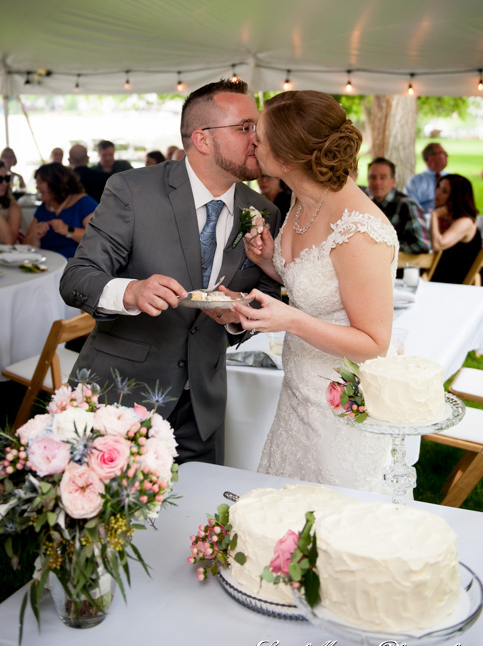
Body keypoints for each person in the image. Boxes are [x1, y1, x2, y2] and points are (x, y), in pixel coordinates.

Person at [59, 79, 281, 465]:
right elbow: (77, 276)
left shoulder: (263, 211)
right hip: (121, 396)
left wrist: (237, 318)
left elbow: (267, 296)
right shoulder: (132, 190)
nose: (257, 139)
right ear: (203, 139)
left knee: (197, 518)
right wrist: (129, 292)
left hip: (203, 407)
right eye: (245, 127)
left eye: (256, 128)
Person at [237, 90, 398, 492]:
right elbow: (315, 281)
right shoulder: (302, 198)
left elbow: (374, 343)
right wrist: (267, 261)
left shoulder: (359, 231)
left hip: (340, 406)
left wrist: (288, 319)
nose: (252, 138)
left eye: (261, 134)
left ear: (289, 159)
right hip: (298, 390)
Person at [23, 163, 98, 259]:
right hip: (47, 264)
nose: (37, 187)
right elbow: (25, 245)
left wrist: (68, 230)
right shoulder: (43, 208)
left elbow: (97, 239)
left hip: (75, 266)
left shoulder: (84, 203)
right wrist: (35, 237)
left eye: (40, 182)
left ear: (55, 183)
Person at [367, 157, 430, 253]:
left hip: (402, 266)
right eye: (373, 177)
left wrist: (384, 248)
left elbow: (422, 244)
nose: (377, 182)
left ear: (393, 181)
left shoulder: (407, 205)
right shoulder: (368, 205)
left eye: (382, 178)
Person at [430, 174, 481, 283]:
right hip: (438, 273)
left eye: (444, 191)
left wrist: (434, 215)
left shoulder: (466, 221)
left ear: (455, 197)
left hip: (453, 280)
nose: (437, 193)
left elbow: (437, 244)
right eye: (438, 187)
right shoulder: (446, 217)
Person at [404, 142, 448, 213]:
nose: (446, 155)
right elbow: (411, 208)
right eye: (442, 153)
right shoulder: (414, 182)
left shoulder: (453, 179)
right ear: (430, 158)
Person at [0, 160, 21, 244]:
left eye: (7, 178)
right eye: (0, 179)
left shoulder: (13, 207)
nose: (5, 183)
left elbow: (9, 241)